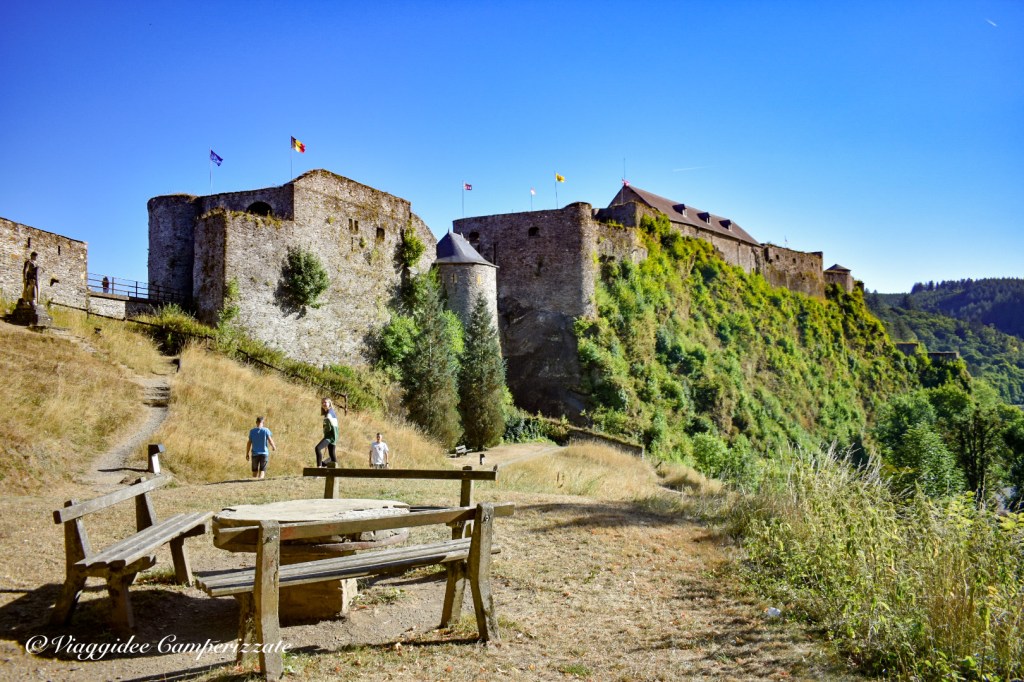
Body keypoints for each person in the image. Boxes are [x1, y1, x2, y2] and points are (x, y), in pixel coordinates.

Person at [315, 398, 339, 467]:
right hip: (332, 436)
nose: (323, 404)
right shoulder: (329, 412)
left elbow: (331, 428)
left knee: (318, 448)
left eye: (325, 402)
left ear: (329, 403)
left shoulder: (329, 413)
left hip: (331, 436)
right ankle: (333, 471)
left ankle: (319, 469)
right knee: (332, 456)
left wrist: (328, 439)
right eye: (322, 403)